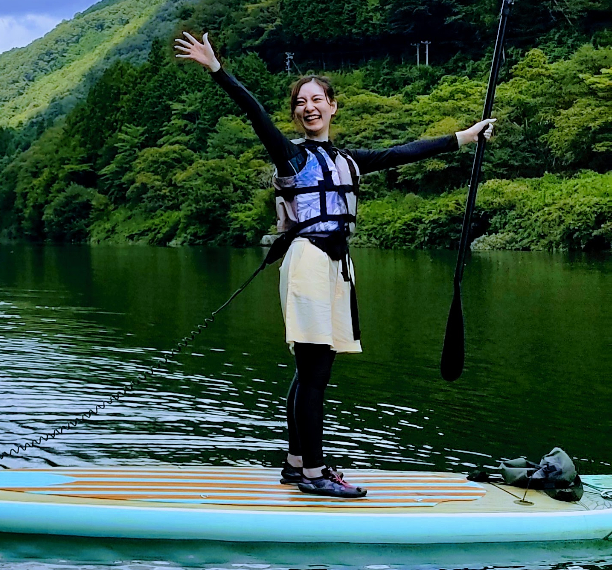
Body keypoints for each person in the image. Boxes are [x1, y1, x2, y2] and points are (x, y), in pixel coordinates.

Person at [174, 31, 495, 498]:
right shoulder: (291, 155)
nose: (309, 107)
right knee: (315, 371)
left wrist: (463, 138)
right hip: (307, 259)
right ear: (296, 113)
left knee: (309, 372)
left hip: (337, 267)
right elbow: (254, 114)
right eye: (301, 102)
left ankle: (295, 462)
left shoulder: (348, 159)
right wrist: (217, 69)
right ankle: (313, 474)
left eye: (317, 99)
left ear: (332, 106)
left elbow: (402, 152)